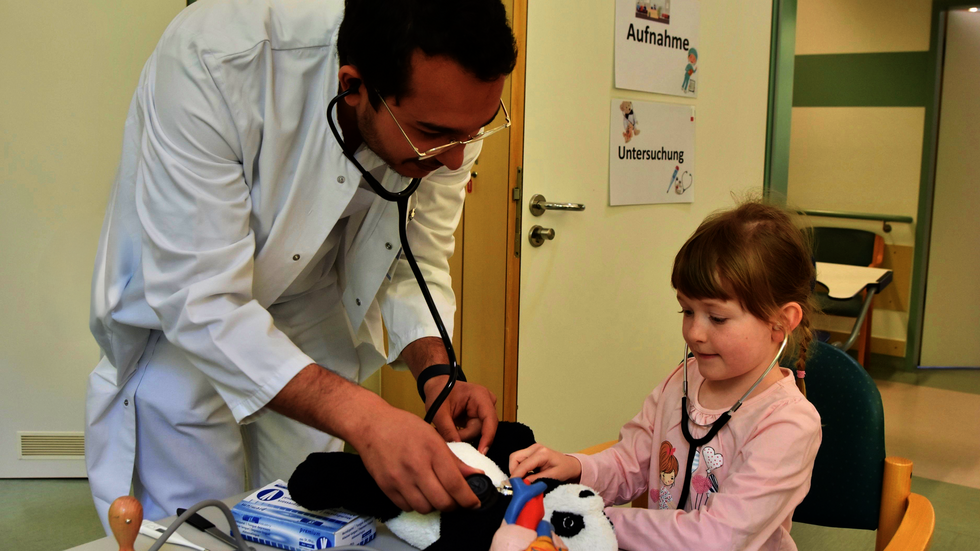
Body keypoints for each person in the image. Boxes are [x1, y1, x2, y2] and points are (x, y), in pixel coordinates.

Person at [85, 0, 517, 532]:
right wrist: (365, 417)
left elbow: (414, 256)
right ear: (353, 85)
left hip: (311, 308)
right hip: (185, 326)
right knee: (197, 528)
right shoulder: (219, 59)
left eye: (473, 132)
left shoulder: (448, 124)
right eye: (432, 134)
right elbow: (200, 297)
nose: (455, 159)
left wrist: (438, 375)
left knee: (317, 519)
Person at [508, 202, 822, 550]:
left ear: (781, 322)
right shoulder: (683, 382)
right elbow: (630, 462)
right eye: (687, 310)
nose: (694, 333)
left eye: (716, 318)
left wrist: (594, 519)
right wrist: (575, 468)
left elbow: (716, 539)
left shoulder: (789, 424)